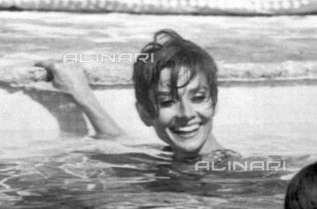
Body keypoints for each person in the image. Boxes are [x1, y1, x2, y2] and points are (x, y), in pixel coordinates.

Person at [34, 29, 226, 161]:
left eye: (198, 98)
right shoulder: (170, 157)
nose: (186, 114)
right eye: (167, 102)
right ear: (144, 114)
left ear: (215, 103)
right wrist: (82, 94)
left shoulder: (235, 175)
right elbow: (118, 139)